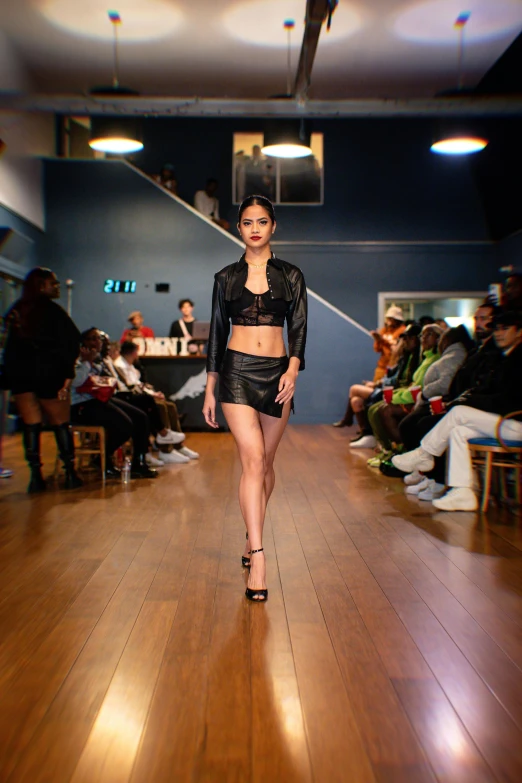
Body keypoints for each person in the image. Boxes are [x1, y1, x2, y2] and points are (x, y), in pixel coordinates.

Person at [203, 195, 307, 602]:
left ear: (273, 226)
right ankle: (260, 557)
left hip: (278, 373)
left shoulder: (292, 275)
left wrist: (293, 370)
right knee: (252, 460)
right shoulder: (225, 277)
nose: (255, 228)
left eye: (262, 221)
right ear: (239, 228)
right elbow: (215, 335)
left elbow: (298, 326)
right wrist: (211, 387)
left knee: (267, 465)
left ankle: (251, 535)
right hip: (236, 373)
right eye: (248, 222)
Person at [392, 310, 522, 511]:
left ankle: (424, 454)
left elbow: (509, 401)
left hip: (515, 423)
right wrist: (468, 398)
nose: (498, 333)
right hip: (502, 421)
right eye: (496, 328)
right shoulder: (503, 357)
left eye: (505, 328)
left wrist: (468, 401)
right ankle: (463, 491)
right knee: (457, 431)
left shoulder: (517, 359)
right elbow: (488, 391)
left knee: (459, 412)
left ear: (520, 332)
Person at [2, 267, 82, 493]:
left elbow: (7, 345)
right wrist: (67, 374)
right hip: (49, 375)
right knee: (60, 423)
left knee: (31, 425)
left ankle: (35, 477)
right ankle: (70, 473)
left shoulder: (17, 310)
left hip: (21, 376)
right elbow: (71, 342)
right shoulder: (54, 312)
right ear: (41, 285)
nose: (57, 287)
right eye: (53, 283)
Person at [101, 338, 192, 465]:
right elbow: (129, 386)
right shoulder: (116, 365)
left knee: (168, 405)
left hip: (129, 395)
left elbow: (137, 384)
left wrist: (152, 392)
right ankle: (164, 448)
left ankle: (176, 446)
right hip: (122, 397)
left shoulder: (122, 365)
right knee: (156, 407)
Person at [333, 305, 406, 429]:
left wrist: (382, 340)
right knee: (356, 399)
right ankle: (364, 430)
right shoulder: (385, 330)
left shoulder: (402, 332)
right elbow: (377, 349)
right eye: (389, 318)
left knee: (356, 391)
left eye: (392, 318)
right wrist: (379, 340)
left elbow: (394, 350)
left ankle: (349, 419)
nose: (390, 321)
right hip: (382, 368)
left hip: (392, 369)